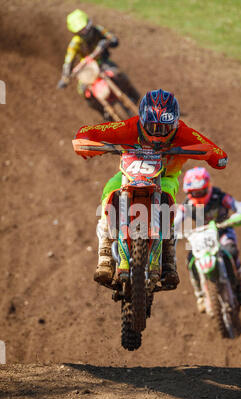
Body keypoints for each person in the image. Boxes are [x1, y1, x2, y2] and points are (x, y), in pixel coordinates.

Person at [73, 88, 228, 288]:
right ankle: (104, 254)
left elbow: (213, 149)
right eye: (152, 126)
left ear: (174, 124)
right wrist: (84, 140)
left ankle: (168, 258)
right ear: (142, 121)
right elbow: (93, 131)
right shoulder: (130, 126)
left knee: (167, 200)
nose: (156, 134)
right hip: (130, 173)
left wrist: (216, 157)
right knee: (110, 191)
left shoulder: (184, 132)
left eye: (163, 128)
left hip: (165, 176)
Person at [174, 167, 241, 310]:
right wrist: (170, 229)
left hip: (223, 230)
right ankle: (201, 295)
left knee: (231, 250)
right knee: (191, 259)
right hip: (202, 235)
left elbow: (237, 205)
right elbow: (177, 219)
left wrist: (240, 213)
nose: (197, 194)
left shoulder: (219, 196)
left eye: (200, 191)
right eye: (193, 192)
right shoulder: (188, 205)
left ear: (207, 187)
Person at [57, 9, 139, 114]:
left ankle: (133, 95)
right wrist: (64, 78)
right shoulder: (75, 43)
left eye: (85, 29)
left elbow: (113, 39)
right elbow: (68, 60)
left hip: (102, 61)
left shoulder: (98, 30)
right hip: (87, 68)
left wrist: (108, 42)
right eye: (80, 31)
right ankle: (104, 112)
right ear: (75, 32)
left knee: (117, 73)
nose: (85, 32)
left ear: (89, 23)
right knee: (83, 91)